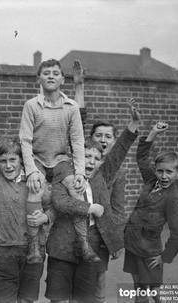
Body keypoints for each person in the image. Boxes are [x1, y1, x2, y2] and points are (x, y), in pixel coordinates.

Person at [45, 100, 140, 303]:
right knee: (59, 298)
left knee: (87, 297)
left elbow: (118, 153)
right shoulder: (64, 172)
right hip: (63, 246)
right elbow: (60, 202)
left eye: (95, 158)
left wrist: (132, 126)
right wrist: (90, 208)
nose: (90, 161)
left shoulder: (102, 175)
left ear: (100, 162)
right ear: (75, 157)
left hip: (92, 246)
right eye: (85, 156)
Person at [0, 96, 54, 303]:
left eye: (13, 160)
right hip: (4, 252)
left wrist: (45, 218)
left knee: (27, 299)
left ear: (22, 160)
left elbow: (52, 206)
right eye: (3, 161)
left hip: (34, 249)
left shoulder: (35, 180)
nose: (8, 166)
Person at [72, 59, 129, 300]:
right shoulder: (82, 162)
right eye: (98, 135)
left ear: (114, 141)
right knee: (75, 284)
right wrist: (79, 87)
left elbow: (117, 209)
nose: (103, 140)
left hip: (101, 235)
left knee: (98, 285)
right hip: (76, 231)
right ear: (91, 138)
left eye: (108, 136)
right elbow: (78, 119)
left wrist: (113, 240)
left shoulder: (117, 171)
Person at [19, 58, 86, 263]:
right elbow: (25, 140)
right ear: (39, 78)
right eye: (46, 73)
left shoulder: (71, 107)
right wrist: (30, 170)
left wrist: (81, 172)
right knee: (35, 188)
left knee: (76, 190)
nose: (51, 76)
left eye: (55, 73)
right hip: (37, 159)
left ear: (63, 80)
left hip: (60, 160)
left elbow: (77, 140)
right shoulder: (31, 105)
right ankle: (34, 246)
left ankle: (83, 242)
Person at [123, 122, 178, 303]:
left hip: (149, 252)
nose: (164, 176)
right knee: (141, 288)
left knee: (149, 292)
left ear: (177, 173)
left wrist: (165, 256)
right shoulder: (152, 180)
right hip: (133, 244)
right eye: (160, 171)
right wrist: (153, 132)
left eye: (169, 172)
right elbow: (142, 157)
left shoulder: (172, 198)